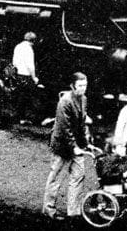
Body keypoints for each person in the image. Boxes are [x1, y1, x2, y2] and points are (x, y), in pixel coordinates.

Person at [42, 72, 90, 221]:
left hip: (76, 144)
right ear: (73, 86)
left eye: (85, 86)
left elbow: (81, 124)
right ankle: (48, 210)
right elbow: (64, 127)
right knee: (56, 178)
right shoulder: (65, 101)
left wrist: (85, 143)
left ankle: (73, 212)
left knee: (78, 175)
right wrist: (73, 146)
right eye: (80, 86)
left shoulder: (83, 99)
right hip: (62, 145)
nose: (83, 89)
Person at [12, 31, 40, 125]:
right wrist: (34, 77)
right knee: (31, 98)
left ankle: (19, 118)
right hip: (26, 76)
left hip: (18, 75)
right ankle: (31, 118)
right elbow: (30, 65)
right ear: (33, 41)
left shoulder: (18, 46)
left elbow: (14, 62)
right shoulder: (28, 49)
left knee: (20, 97)